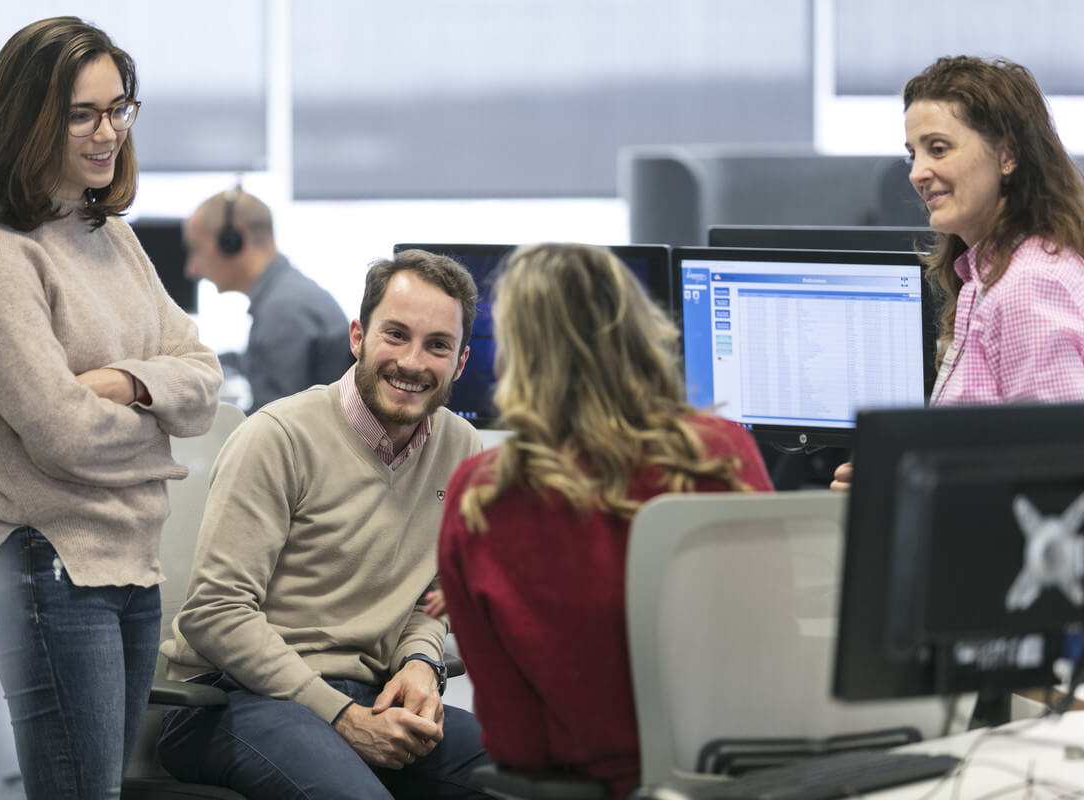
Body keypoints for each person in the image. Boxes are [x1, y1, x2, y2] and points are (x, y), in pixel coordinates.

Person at [0, 16, 222, 799]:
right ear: (31, 118)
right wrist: (155, 419)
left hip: (128, 558)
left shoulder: (112, 235)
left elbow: (204, 379)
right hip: (47, 563)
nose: (109, 133)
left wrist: (126, 384)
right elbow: (63, 434)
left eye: (120, 108)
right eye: (82, 114)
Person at [437, 243, 773, 798]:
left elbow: (516, 743)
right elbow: (770, 644)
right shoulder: (722, 452)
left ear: (515, 353)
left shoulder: (483, 495)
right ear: (640, 332)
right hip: (736, 778)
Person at [158, 249, 493, 800]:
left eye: (437, 345)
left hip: (369, 694)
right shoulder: (279, 437)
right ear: (358, 337)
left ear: (458, 363)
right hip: (233, 700)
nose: (412, 362)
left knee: (533, 779)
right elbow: (215, 613)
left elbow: (433, 595)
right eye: (396, 335)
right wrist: (341, 717)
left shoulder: (461, 448)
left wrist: (419, 662)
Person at [832, 55, 1084, 490]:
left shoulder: (1029, 286)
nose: (916, 173)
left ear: (1007, 156)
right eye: (913, 153)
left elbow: (1057, 482)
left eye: (939, 148)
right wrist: (896, 482)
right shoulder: (988, 275)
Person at [183, 188, 352, 411]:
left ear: (232, 242)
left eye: (196, 249)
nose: (191, 270)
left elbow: (273, 425)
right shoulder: (287, 296)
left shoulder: (282, 312)